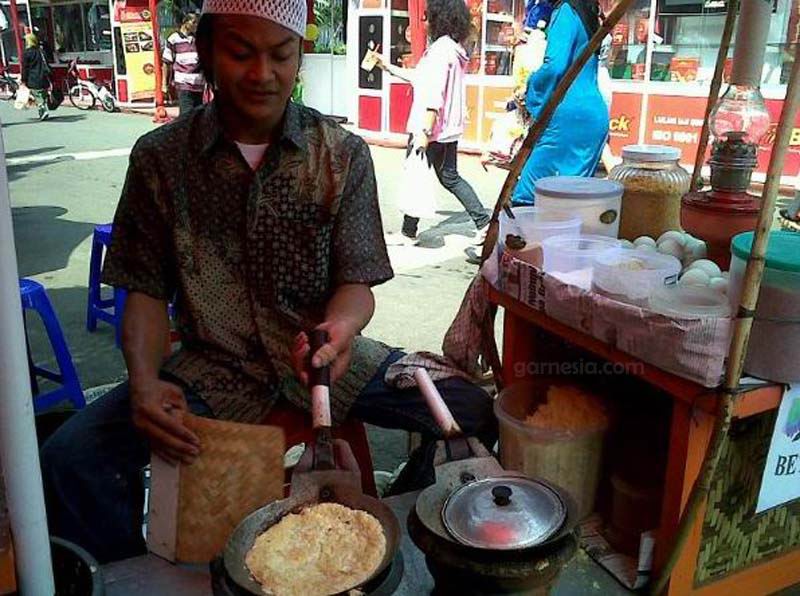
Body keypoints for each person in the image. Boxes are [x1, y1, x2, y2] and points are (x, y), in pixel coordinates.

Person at [40, 0, 496, 564]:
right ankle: (137, 575)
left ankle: (374, 530)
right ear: (207, 53)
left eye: (281, 55)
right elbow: (145, 290)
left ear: (299, 55)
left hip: (324, 360)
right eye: (241, 53)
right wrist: (143, 383)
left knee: (471, 408)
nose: (263, 74)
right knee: (72, 459)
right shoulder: (161, 158)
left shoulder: (341, 154)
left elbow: (357, 283)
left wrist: (342, 327)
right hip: (213, 367)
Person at [375, 0, 490, 241]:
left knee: (415, 176)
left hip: (429, 128)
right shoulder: (453, 50)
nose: (424, 23)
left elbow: (433, 94)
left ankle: (409, 233)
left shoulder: (440, 51)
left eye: (427, 17)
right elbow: (421, 78)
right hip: (447, 129)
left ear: (440, 19)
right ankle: (482, 223)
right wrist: (387, 66)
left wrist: (424, 133)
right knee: (448, 177)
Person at [511, 0, 609, 205]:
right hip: (592, 115)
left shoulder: (566, 11)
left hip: (567, 116)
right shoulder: (588, 13)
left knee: (528, 198)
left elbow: (554, 66)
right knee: (570, 203)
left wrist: (530, 89)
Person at [162, 13, 205, 114]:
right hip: (183, 83)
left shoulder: (199, 38)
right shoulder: (173, 39)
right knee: (186, 114)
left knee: (198, 115)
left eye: (197, 23)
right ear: (185, 22)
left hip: (199, 84)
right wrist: (164, 84)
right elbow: (167, 62)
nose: (196, 25)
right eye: (193, 22)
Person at [21, 33, 51, 121]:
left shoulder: (27, 53)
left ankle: (43, 110)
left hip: (33, 78)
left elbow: (25, 68)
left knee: (37, 95)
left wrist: (23, 79)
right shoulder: (41, 51)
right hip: (44, 77)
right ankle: (42, 111)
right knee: (42, 95)